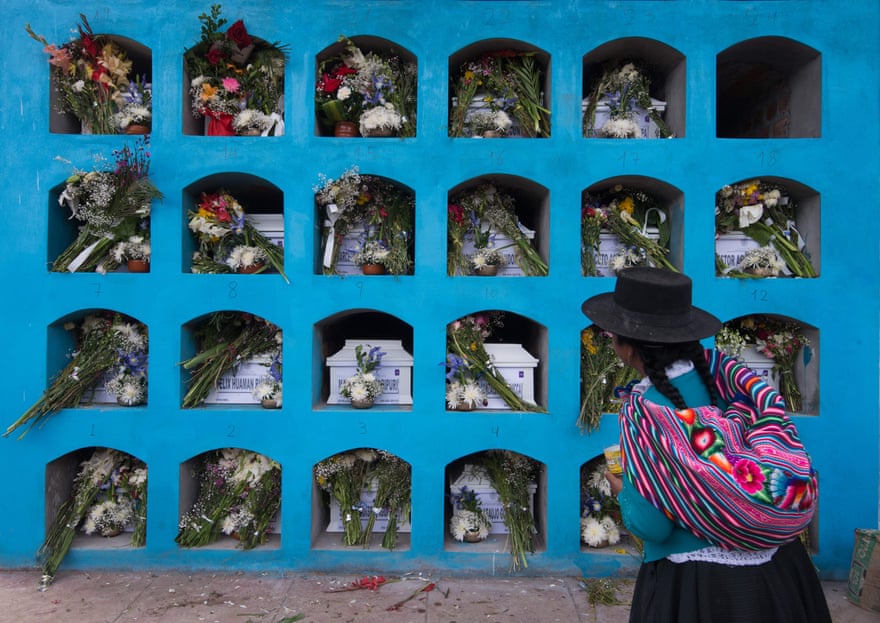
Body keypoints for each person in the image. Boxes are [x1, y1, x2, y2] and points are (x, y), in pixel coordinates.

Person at [581, 266, 831, 623]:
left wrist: (623, 491)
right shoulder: (728, 378)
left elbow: (655, 527)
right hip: (782, 576)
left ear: (627, 345)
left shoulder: (646, 413)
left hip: (700, 587)